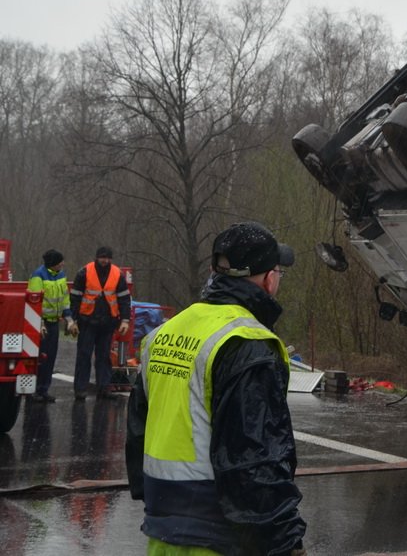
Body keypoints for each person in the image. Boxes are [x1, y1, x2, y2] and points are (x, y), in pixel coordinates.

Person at [125, 222, 306, 555]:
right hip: (219, 536)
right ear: (268, 279)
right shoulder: (246, 343)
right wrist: (286, 539)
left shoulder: (165, 333)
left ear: (215, 272)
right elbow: (256, 458)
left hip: (163, 531)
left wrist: (158, 503)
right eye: (278, 271)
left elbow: (139, 430)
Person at [69, 246, 132, 400]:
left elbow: (124, 299)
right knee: (84, 356)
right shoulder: (84, 272)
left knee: (104, 357)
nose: (105, 260)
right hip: (87, 321)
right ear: (96, 258)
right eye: (103, 257)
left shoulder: (117, 274)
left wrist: (125, 320)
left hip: (108, 322)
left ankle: (104, 388)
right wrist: (73, 321)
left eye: (108, 258)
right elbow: (75, 298)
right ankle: (80, 389)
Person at [27, 249, 73, 403]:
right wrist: (38, 323)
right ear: (53, 263)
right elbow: (34, 301)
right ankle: (33, 390)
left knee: (50, 358)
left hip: (54, 323)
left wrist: (69, 319)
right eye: (60, 261)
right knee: (40, 358)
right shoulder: (38, 276)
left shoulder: (60, 275)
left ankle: (43, 389)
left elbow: (65, 299)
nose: (63, 263)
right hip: (42, 323)